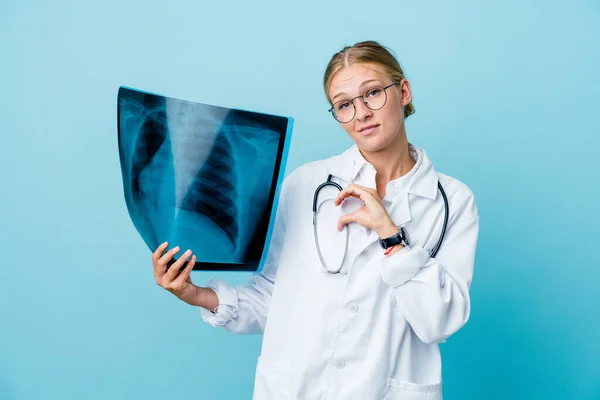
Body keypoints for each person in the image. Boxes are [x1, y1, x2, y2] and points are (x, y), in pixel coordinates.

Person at [151, 40, 479, 400]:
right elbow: (272, 300)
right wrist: (195, 294)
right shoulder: (307, 184)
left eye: (372, 93)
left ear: (403, 91)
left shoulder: (452, 201)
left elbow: (439, 321)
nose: (361, 113)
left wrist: (391, 237)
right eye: (344, 105)